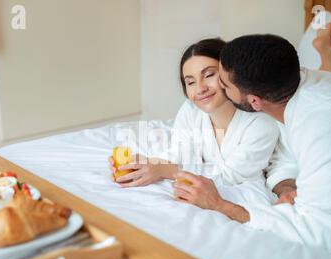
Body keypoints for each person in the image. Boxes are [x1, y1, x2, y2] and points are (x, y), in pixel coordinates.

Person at [173, 28, 331, 250]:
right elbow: (289, 150)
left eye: (224, 83)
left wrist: (220, 206)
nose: (214, 87)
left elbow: (314, 232)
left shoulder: (325, 131)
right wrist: (285, 186)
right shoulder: (294, 87)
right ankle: (330, 52)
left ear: (254, 102)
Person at [110, 38, 279, 188]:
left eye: (209, 75)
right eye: (190, 82)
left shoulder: (261, 123)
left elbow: (230, 176)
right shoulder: (190, 110)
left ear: (230, 74)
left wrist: (165, 170)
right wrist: (144, 164)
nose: (200, 89)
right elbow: (179, 153)